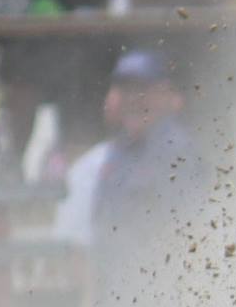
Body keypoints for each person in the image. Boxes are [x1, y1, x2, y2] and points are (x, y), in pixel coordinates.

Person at [56, 48, 203, 252]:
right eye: (125, 90)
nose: (133, 99)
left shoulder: (178, 150)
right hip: (117, 272)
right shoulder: (108, 156)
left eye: (143, 89)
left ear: (169, 96)